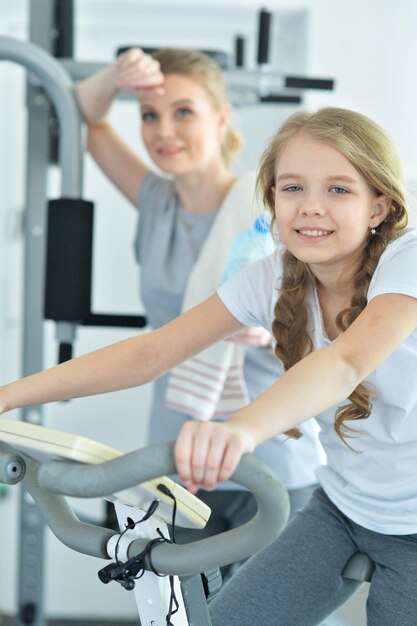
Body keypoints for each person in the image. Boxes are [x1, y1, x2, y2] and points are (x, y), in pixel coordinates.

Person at [1, 105, 416, 625]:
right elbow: (151, 354)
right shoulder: (270, 277)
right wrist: (8, 395)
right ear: (270, 203)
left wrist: (237, 433)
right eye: (292, 189)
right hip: (343, 510)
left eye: (338, 189)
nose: (312, 207)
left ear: (378, 207)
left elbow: (345, 362)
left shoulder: (408, 259)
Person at [73, 46, 323, 548]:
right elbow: (89, 118)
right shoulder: (155, 203)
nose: (164, 130)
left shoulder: (273, 207)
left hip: (271, 456)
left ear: (221, 118)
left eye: (183, 111)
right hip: (179, 457)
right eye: (149, 115)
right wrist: (115, 78)